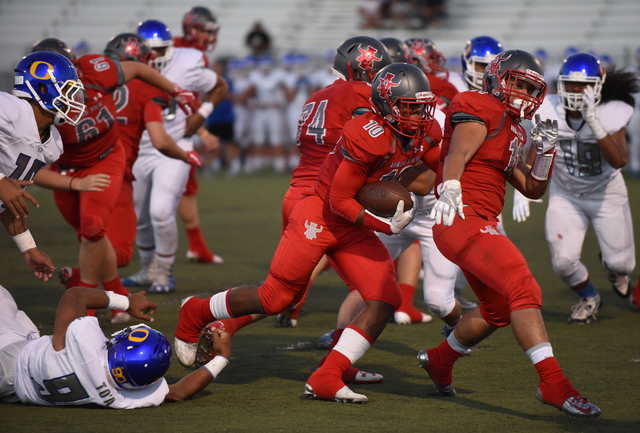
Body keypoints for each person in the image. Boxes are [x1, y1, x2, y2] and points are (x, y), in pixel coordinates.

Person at [175, 62, 443, 403]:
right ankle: (196, 311)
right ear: (387, 105)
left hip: (350, 223)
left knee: (385, 297)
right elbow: (339, 200)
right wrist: (385, 226)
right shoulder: (367, 133)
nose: (420, 116)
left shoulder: (423, 128)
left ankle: (326, 376)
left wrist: (451, 187)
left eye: (422, 107)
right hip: (320, 214)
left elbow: (438, 156)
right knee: (277, 298)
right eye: (411, 108)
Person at [422, 49, 600, 417]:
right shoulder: (480, 105)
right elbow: (458, 151)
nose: (523, 95)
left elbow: (532, 189)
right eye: (517, 84)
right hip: (461, 214)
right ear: (495, 79)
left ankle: (440, 359)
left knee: (499, 308)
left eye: (530, 89)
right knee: (524, 287)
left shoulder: (515, 128)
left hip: (475, 221)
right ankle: (553, 383)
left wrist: (546, 151)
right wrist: (451, 184)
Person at [33, 38, 198, 324]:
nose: (71, 87)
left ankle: (87, 303)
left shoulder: (96, 70)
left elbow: (134, 69)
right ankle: (118, 296)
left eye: (70, 75)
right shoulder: (34, 115)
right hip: (67, 173)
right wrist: (75, 184)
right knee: (93, 238)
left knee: (94, 231)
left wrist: (176, 89)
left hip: (107, 160)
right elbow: (31, 172)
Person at [123, 19, 227, 293]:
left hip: (174, 146)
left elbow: (220, 86)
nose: (155, 56)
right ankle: (148, 269)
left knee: (160, 210)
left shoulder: (187, 62)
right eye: (150, 50)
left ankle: (165, 273)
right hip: (137, 149)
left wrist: (200, 118)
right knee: (139, 216)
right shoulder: (125, 68)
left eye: (160, 50)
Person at [0, 285, 231, 407]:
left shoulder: (84, 345)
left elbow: (74, 296)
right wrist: (222, 357)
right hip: (19, 384)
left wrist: (127, 302)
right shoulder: (122, 397)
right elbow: (179, 392)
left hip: (9, 360)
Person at [534, 53, 637, 322]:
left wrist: (594, 122)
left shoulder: (611, 111)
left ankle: (612, 266)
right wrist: (529, 186)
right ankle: (590, 298)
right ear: (561, 84)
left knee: (622, 265)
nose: (576, 91)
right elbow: (534, 148)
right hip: (565, 194)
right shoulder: (547, 108)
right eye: (570, 84)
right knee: (563, 262)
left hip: (606, 194)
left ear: (598, 86)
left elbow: (619, 160)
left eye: (584, 85)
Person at [0, 51, 86, 282]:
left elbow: (8, 201)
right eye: (68, 90)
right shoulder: (10, 108)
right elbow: (4, 188)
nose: (74, 98)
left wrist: (28, 246)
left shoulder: (53, 144)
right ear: (44, 88)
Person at [173, 6, 226, 265]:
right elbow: (180, 99)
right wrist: (204, 132)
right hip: (159, 128)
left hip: (178, 128)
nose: (209, 36)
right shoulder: (182, 52)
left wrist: (201, 130)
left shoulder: (192, 53)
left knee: (187, 188)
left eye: (211, 31)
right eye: (204, 30)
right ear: (191, 28)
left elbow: (188, 101)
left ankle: (196, 246)